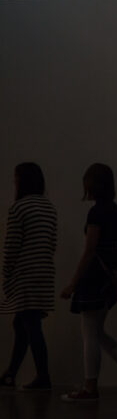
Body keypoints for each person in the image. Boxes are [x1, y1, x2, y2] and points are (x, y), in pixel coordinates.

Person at [59, 163, 117, 401]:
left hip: (95, 277)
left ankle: (90, 387)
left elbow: (90, 250)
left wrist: (72, 283)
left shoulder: (96, 212)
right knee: (96, 331)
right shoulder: (115, 210)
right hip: (110, 277)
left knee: (90, 333)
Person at [0, 163, 58, 391]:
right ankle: (10, 374)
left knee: (31, 326)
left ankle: (43, 377)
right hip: (44, 273)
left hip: (25, 274)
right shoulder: (49, 208)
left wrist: (6, 275)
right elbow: (52, 243)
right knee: (22, 323)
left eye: (15, 178)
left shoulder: (19, 208)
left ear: (21, 181)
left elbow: (12, 246)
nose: (13, 182)